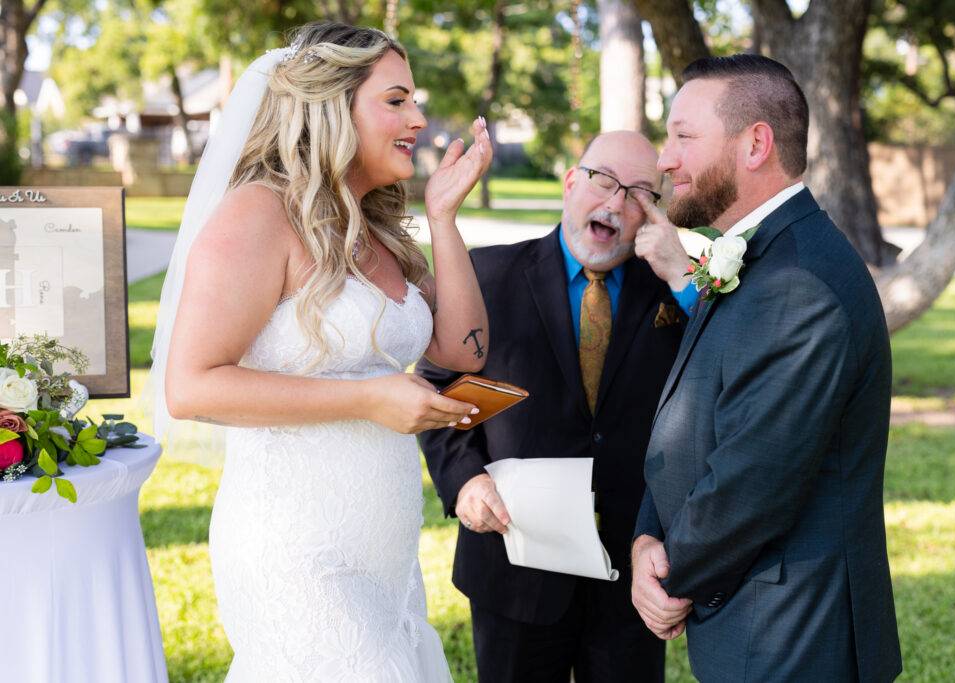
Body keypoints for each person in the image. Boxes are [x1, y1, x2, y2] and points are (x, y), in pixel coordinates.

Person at [149, 22, 493, 681]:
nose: (418, 117)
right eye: (396, 100)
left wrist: (445, 218)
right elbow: (189, 386)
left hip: (381, 545)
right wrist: (370, 395)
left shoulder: (377, 230)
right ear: (332, 104)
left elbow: (463, 349)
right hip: (293, 543)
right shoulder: (256, 214)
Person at [630, 54, 903, 682]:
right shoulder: (757, 257)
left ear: (755, 143)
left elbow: (752, 479)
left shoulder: (797, 283)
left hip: (793, 637)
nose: (665, 160)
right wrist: (647, 535)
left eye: (683, 137)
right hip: (757, 623)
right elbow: (690, 423)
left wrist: (669, 568)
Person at [415, 130, 698, 683]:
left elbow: (723, 365)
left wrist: (686, 280)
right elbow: (437, 386)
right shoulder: (487, 275)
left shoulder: (674, 288)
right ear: (571, 182)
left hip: (632, 568)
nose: (616, 203)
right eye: (604, 181)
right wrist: (466, 481)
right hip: (514, 563)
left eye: (640, 193)